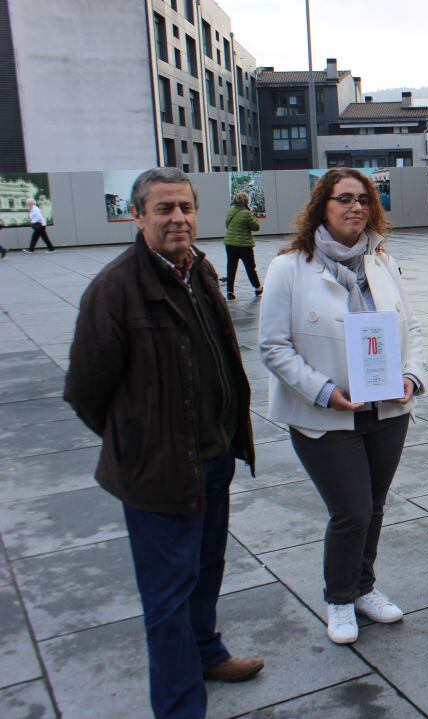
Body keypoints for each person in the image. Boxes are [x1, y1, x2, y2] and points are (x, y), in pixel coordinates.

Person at [64, 167, 263, 718]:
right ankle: (179, 707)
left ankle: (206, 652)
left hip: (214, 458)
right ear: (138, 216)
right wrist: (141, 445)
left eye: (185, 208)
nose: (178, 218)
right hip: (159, 473)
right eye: (164, 209)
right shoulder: (115, 289)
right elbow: (85, 391)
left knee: (206, 569)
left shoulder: (196, 270)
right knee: (167, 598)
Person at [259, 167, 426, 644]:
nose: (355, 208)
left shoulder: (382, 262)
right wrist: (323, 391)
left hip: (387, 412)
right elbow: (274, 347)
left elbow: (411, 329)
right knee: (350, 510)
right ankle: (338, 598)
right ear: (322, 206)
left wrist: (412, 377)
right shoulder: (290, 267)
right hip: (325, 414)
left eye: (363, 200)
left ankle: (363, 588)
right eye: (343, 199)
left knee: (373, 506)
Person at [223, 191, 262, 300]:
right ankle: (258, 288)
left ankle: (230, 292)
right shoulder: (246, 213)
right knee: (250, 268)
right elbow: (256, 227)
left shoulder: (231, 210)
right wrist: (252, 214)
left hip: (230, 244)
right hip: (244, 245)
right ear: (246, 202)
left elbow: (227, 225)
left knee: (231, 268)